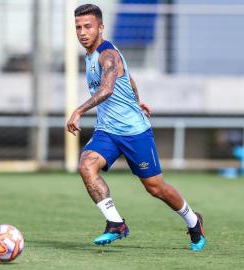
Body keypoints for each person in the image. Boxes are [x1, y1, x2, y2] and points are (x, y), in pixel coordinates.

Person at [66, 4, 206, 251]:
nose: (82, 32)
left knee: (155, 188)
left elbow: (107, 89)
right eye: (78, 27)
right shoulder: (90, 56)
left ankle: (193, 221)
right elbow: (127, 78)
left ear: (101, 27)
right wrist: (136, 98)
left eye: (88, 26)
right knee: (86, 165)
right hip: (108, 131)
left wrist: (78, 110)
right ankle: (115, 223)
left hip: (134, 133)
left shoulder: (107, 54)